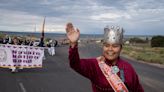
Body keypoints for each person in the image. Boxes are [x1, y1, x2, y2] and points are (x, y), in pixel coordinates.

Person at [66, 23, 144, 92]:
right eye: (106, 45)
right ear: (103, 47)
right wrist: (73, 44)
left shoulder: (128, 68)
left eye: (115, 46)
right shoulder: (95, 65)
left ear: (121, 48)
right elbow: (75, 64)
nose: (110, 49)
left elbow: (138, 89)